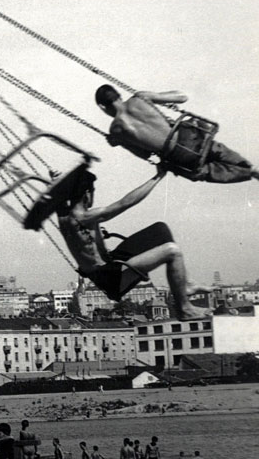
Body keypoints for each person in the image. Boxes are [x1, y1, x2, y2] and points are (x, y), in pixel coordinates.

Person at [55, 167, 208, 320]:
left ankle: (186, 283)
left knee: (160, 229)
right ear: (87, 193)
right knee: (172, 251)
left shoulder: (64, 217)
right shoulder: (85, 217)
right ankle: (184, 309)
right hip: (110, 277)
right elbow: (125, 203)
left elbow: (57, 198)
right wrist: (158, 176)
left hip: (111, 262)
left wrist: (57, 182)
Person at [95, 86, 258, 183]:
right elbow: (182, 97)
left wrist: (120, 142)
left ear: (102, 107)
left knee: (203, 171)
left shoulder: (115, 130)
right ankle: (250, 168)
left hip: (178, 156)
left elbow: (144, 154)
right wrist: (160, 99)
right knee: (214, 149)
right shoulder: (140, 98)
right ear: (118, 94)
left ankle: (248, 172)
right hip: (190, 136)